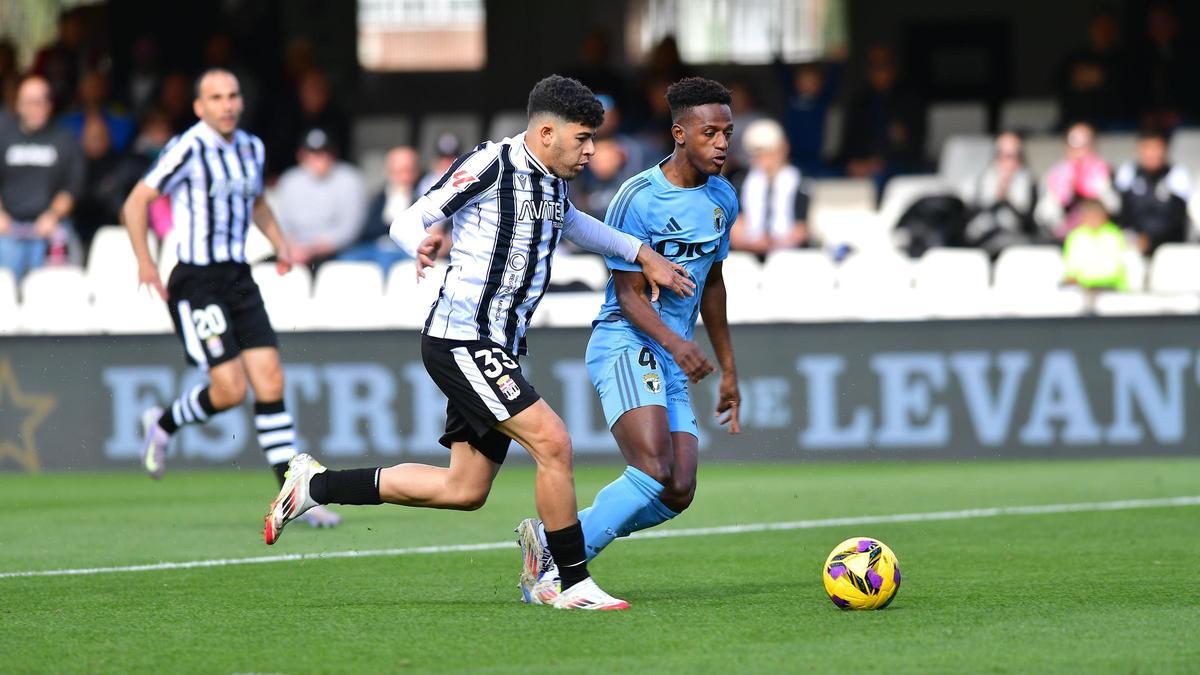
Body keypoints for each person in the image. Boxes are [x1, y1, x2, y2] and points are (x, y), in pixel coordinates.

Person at [260, 75, 693, 611]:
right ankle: (567, 580)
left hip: (499, 346)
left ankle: (314, 486)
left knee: (464, 490)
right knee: (553, 443)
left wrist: (640, 252)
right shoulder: (493, 163)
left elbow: (575, 224)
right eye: (583, 138)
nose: (591, 151)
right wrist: (415, 244)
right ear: (546, 132)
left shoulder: (554, 180)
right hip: (462, 338)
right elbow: (414, 215)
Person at [514, 77, 742, 606]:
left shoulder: (723, 198)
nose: (722, 143)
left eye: (728, 132)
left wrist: (729, 367)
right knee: (651, 469)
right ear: (679, 134)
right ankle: (561, 572)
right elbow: (629, 294)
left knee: (677, 490)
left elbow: (713, 283)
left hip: (673, 352)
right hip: (625, 340)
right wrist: (678, 344)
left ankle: (551, 540)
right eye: (710, 133)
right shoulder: (636, 197)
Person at [121, 68, 340, 528]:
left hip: (238, 276)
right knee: (229, 389)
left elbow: (256, 202)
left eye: (233, 95)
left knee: (271, 382)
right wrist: (145, 261)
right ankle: (162, 424)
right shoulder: (188, 147)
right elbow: (136, 202)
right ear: (200, 107)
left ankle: (293, 496)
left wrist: (279, 243)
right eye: (216, 97)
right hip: (196, 280)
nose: (227, 104)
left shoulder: (251, 147)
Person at [0, 75, 84, 280]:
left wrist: (52, 216)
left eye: (40, 101)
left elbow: (73, 187)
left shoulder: (65, 140)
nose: (35, 107)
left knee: (51, 284)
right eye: (29, 102)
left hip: (50, 226)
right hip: (7, 227)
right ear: (18, 105)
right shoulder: (3, 136)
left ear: (49, 104)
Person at [272, 127, 367, 270]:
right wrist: (291, 246)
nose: (320, 159)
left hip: (335, 252)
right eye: (313, 153)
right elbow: (280, 222)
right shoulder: (289, 180)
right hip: (295, 250)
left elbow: (351, 228)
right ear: (301, 155)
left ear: (334, 154)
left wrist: (314, 248)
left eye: (325, 152)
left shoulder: (350, 179)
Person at [731, 118, 810, 255]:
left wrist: (775, 243)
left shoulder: (798, 180)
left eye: (769, 152)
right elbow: (736, 229)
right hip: (749, 252)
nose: (764, 158)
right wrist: (753, 243)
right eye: (758, 153)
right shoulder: (742, 181)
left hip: (787, 253)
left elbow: (801, 229)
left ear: (783, 148)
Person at [337, 145, 420, 270]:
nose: (401, 177)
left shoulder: (422, 198)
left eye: (406, 171)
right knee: (346, 259)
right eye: (395, 171)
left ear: (415, 172)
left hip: (405, 249)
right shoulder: (378, 197)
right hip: (376, 246)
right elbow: (367, 229)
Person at [1035, 122, 1120, 240]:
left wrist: (1098, 190)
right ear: (1066, 147)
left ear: (1094, 146)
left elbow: (1115, 208)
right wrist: (1063, 196)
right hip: (1064, 240)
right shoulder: (1055, 176)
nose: (1080, 150)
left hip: (1100, 238)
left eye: (1085, 144)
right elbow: (1042, 216)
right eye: (1075, 143)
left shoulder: (1107, 172)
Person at [960, 132, 1039, 257]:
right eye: (1004, 155)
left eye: (1015, 155)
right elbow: (970, 220)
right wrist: (997, 197)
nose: (1010, 161)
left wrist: (1006, 198)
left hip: (1017, 242)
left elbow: (1029, 224)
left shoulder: (1030, 183)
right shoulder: (980, 181)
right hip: (981, 240)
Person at [1114, 127, 1190, 255]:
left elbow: (1177, 219)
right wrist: (1133, 237)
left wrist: (1151, 239)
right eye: (1148, 148)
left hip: (1168, 246)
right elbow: (1121, 214)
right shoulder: (1128, 174)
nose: (1153, 154)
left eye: (1157, 148)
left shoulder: (1177, 175)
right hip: (1133, 244)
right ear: (1139, 149)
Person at [1063, 198, 1128, 291]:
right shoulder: (1076, 235)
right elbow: (1071, 268)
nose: (1093, 219)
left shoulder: (1113, 235)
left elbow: (1115, 268)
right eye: (1090, 215)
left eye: (1096, 215)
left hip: (1110, 288)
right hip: (1082, 289)